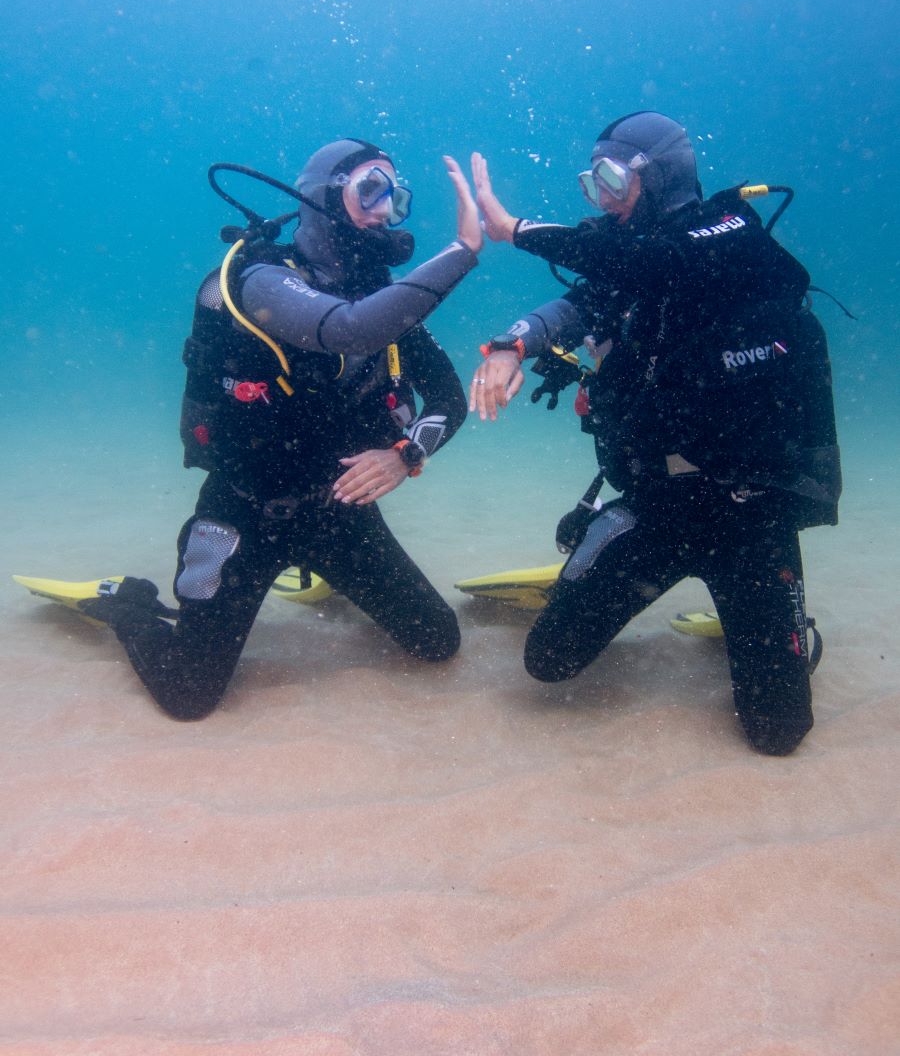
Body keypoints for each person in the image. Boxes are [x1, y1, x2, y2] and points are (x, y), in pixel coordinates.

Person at [469, 111, 842, 756]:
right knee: (547, 661)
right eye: (592, 185)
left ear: (661, 175)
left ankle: (782, 624)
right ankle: (598, 561)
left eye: (613, 181)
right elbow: (577, 305)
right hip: (658, 505)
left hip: (751, 510)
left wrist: (519, 230)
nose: (603, 201)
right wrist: (513, 343)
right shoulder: (631, 266)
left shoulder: (729, 235)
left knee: (778, 732)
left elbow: (658, 263)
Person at [80, 139, 482, 719]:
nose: (385, 210)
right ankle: (129, 603)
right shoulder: (261, 279)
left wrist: (405, 454)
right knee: (188, 694)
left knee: (437, 641)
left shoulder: (385, 301)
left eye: (396, 198)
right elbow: (346, 329)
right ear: (323, 196)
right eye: (371, 190)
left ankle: (330, 573)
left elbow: (448, 398)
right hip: (244, 512)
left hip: (338, 510)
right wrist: (463, 252)